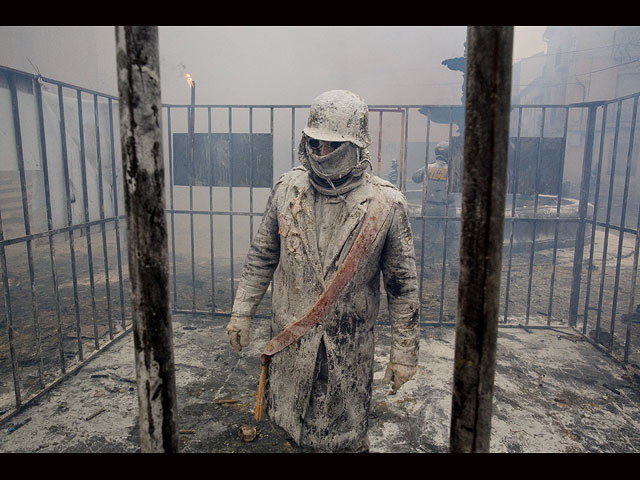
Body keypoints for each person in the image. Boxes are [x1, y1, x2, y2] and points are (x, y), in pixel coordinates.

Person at [225, 90, 420, 453]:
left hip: (347, 349)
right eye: (315, 142)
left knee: (343, 440)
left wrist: (404, 354)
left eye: (333, 145)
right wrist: (241, 313)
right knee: (291, 427)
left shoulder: (386, 205)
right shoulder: (287, 190)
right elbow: (262, 257)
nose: (321, 152)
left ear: (356, 145)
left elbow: (402, 287)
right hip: (291, 340)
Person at [412, 142, 459, 279]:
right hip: (448, 208)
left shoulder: (427, 168)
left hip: (430, 208)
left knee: (429, 240)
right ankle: (454, 267)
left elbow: (415, 178)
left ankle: (427, 270)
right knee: (452, 238)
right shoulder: (453, 169)